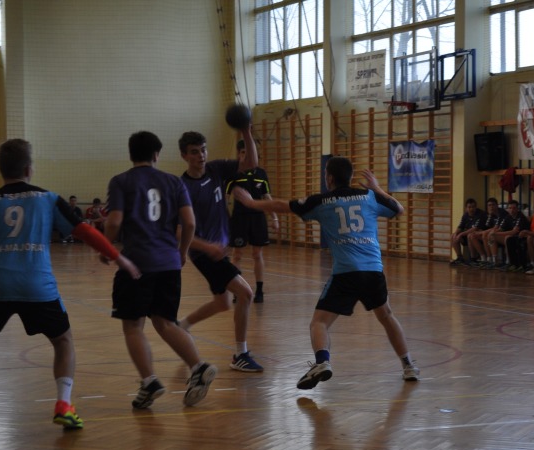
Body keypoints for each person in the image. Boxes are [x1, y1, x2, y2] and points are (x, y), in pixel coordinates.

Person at [0, 139, 140, 429]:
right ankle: (64, 405)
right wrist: (118, 257)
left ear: (1, 169)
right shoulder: (48, 198)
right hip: (37, 288)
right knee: (63, 341)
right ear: (29, 169)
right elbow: (83, 231)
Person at [241, 157, 419, 388]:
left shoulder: (321, 201)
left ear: (330, 178)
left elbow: (282, 206)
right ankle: (408, 365)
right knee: (386, 316)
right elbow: (399, 209)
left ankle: (322, 362)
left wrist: (251, 203)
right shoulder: (369, 197)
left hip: (346, 273)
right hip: (373, 271)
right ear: (350, 176)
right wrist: (377, 188)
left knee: (319, 323)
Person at [104, 131, 219, 408]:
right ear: (156, 154)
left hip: (137, 264)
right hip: (168, 263)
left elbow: (115, 221)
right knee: (165, 322)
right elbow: (189, 223)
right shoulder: (173, 182)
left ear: (131, 154)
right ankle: (198, 366)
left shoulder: (121, 181)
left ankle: (149, 381)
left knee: (133, 326)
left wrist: (106, 247)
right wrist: (182, 252)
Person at [175, 128, 265, 373]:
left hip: (218, 250)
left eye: (203, 150)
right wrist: (207, 246)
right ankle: (240, 355)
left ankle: (181, 326)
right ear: (184, 156)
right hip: (205, 254)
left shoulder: (216, 169)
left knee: (222, 302)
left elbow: (252, 163)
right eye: (194, 152)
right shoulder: (182, 187)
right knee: (245, 294)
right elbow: (179, 232)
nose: (201, 156)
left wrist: (246, 131)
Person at [228, 138, 279, 302]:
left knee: (257, 254)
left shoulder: (261, 174)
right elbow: (225, 199)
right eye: (244, 152)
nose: (247, 155)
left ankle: (260, 291)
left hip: (257, 218)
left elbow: (267, 197)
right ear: (239, 154)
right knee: (237, 254)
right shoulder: (233, 173)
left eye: (250, 152)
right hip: (239, 218)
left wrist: (274, 217)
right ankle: (237, 290)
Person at [484, 200, 528, 270]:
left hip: (521, 238)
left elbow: (514, 232)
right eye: (510, 208)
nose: (512, 210)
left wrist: (497, 233)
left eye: (514, 208)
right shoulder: (508, 217)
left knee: (507, 238)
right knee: (492, 236)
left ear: (517, 209)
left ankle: (509, 262)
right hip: (511, 237)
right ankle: (495, 261)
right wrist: (493, 232)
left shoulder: (520, 217)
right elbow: (501, 228)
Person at [449, 198, 485, 265]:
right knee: (453, 236)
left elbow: (475, 228)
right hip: (466, 235)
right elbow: (460, 226)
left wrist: (461, 234)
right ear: (466, 208)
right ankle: (460, 257)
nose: (471, 209)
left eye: (473, 207)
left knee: (470, 235)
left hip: (478, 236)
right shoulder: (465, 215)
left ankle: (473, 258)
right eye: (469, 207)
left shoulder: (480, 214)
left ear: (476, 207)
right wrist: (456, 233)